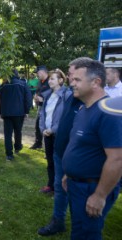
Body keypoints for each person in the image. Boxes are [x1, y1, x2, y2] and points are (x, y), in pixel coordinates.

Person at [62, 59, 122, 240]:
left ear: (96, 82)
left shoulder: (108, 112)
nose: (72, 83)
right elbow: (81, 145)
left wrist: (100, 195)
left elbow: (117, 159)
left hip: (92, 188)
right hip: (77, 183)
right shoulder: (84, 108)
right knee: (80, 231)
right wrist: (69, 173)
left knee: (87, 234)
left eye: (78, 80)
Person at [37, 57, 89, 236]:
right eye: (70, 77)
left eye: (74, 76)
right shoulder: (74, 96)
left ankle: (80, 229)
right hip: (61, 151)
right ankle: (58, 221)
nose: (70, 79)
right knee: (60, 187)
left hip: (76, 155)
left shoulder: (82, 99)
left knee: (77, 194)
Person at [38, 69, 71, 194]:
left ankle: (60, 188)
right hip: (47, 134)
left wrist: (53, 130)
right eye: (50, 78)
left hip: (58, 134)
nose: (49, 81)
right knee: (50, 161)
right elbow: (43, 114)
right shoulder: (48, 95)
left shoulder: (67, 95)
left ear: (61, 80)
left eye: (52, 78)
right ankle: (51, 185)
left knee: (60, 162)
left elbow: (65, 117)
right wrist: (43, 129)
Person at [0, 69, 32, 161]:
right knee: (18, 131)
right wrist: (27, 111)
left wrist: (1, 112)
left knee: (8, 134)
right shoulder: (22, 84)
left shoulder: (3, 85)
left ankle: (9, 154)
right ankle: (17, 147)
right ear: (17, 75)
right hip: (19, 112)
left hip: (7, 113)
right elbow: (28, 97)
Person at [30, 65, 50, 149]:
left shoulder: (50, 81)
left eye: (37, 72)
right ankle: (38, 143)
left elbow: (54, 94)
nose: (37, 74)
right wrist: (36, 97)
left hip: (48, 108)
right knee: (38, 125)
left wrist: (43, 99)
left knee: (47, 127)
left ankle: (48, 148)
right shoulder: (40, 81)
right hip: (40, 107)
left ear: (42, 71)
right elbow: (37, 92)